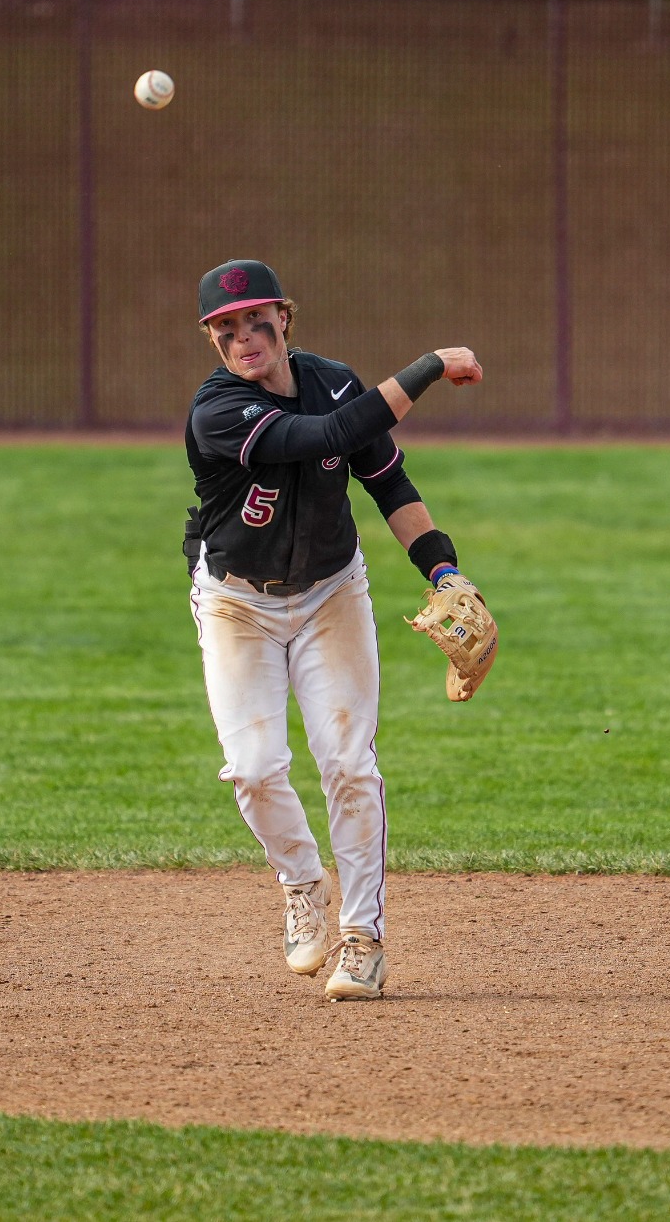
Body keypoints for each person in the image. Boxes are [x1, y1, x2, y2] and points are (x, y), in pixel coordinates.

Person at [182, 259, 483, 1001]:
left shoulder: (337, 379)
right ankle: (300, 882)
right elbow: (332, 432)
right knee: (253, 768)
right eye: (227, 327)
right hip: (235, 606)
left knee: (349, 762)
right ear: (211, 340)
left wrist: (445, 573)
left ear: (285, 317)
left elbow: (387, 481)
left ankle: (362, 938)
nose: (244, 336)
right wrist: (430, 366)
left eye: (257, 319)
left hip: (331, 594)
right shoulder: (219, 410)